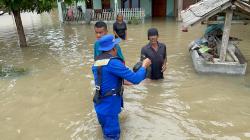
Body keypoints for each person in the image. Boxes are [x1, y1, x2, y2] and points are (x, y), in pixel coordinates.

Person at [92, 34, 151, 140]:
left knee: (105, 132)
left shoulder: (96, 63)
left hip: (100, 106)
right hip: (110, 109)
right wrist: (144, 66)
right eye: (116, 45)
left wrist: (124, 81)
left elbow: (105, 80)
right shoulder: (114, 63)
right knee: (112, 137)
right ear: (113, 48)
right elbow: (137, 79)